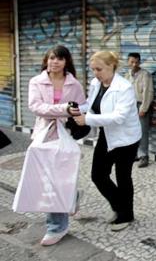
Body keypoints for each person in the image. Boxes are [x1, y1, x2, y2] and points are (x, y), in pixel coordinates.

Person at [73, 51, 141, 232]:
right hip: (107, 135)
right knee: (98, 175)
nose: (95, 73)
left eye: (99, 69)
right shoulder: (96, 83)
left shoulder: (124, 87)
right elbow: (91, 104)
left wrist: (87, 120)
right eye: (93, 69)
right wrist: (76, 109)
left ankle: (126, 215)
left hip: (126, 138)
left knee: (123, 177)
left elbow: (119, 117)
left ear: (112, 66)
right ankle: (119, 207)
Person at [27, 45, 85, 246]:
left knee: (57, 180)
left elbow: (81, 107)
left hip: (65, 135)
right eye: (52, 58)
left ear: (66, 62)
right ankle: (70, 200)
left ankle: (57, 226)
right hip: (44, 135)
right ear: (46, 60)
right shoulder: (36, 81)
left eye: (60, 59)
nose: (55, 62)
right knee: (49, 181)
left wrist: (75, 113)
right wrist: (63, 109)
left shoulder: (74, 84)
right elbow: (36, 107)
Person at [125, 52, 154, 168]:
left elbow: (149, 92)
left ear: (139, 62)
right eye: (132, 62)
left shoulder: (145, 74)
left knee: (142, 131)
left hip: (141, 104)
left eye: (136, 62)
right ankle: (134, 154)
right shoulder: (127, 75)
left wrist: (144, 108)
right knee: (132, 130)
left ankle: (144, 156)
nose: (134, 64)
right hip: (129, 106)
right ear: (128, 61)